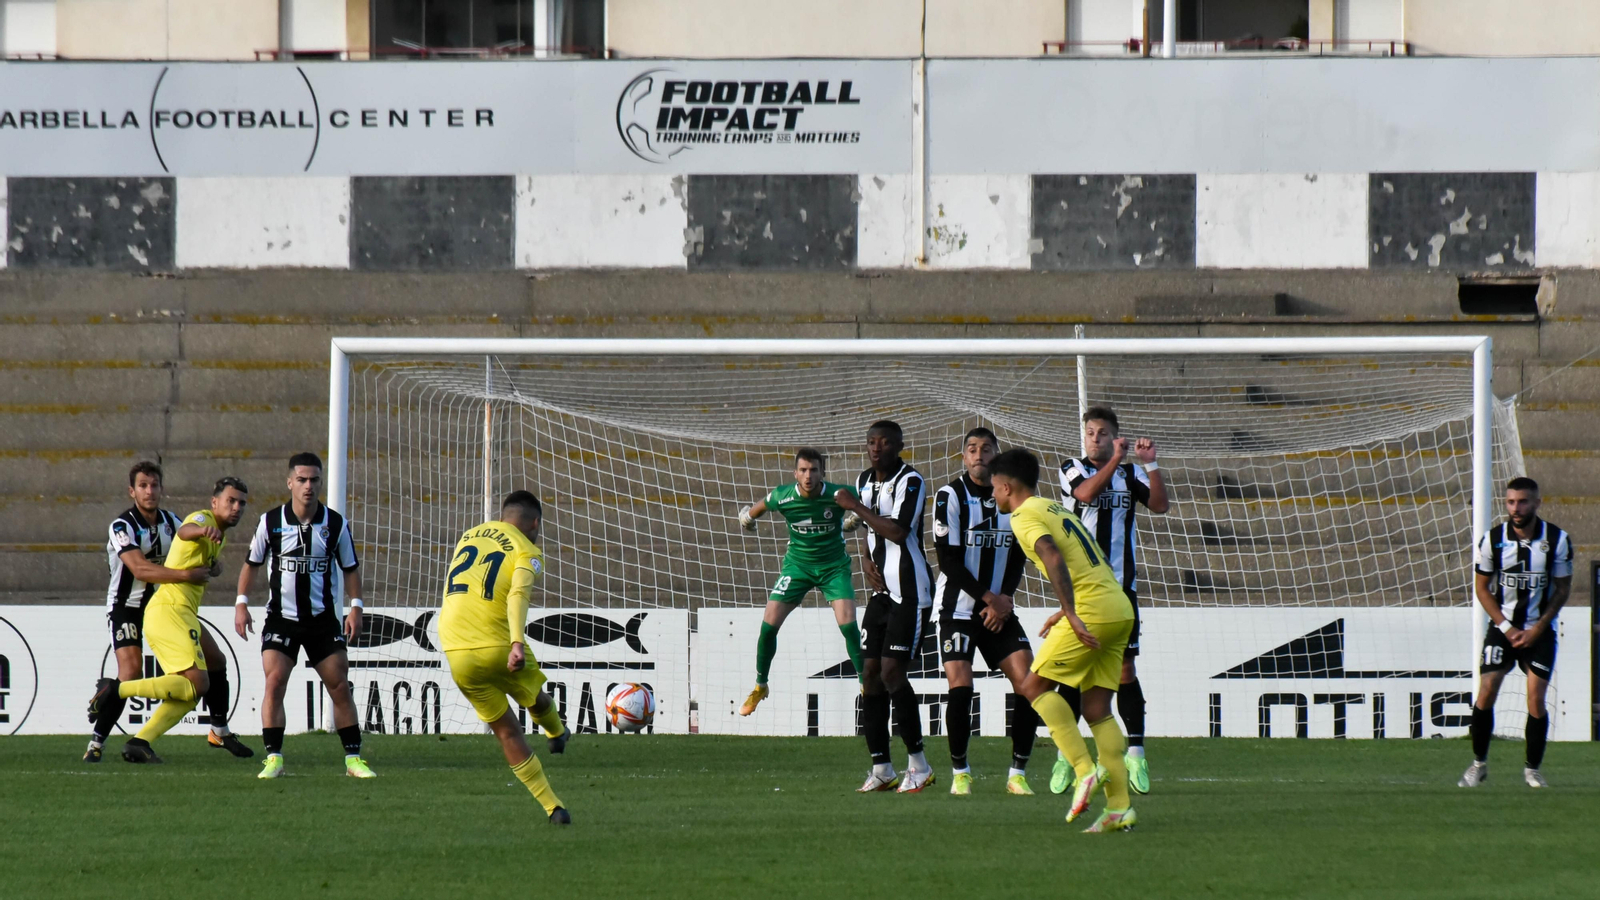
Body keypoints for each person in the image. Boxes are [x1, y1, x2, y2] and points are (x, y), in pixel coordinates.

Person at [990, 448, 1137, 833]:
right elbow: (1091, 557)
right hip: (1117, 607)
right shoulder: (1055, 507)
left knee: (1032, 685)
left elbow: (1052, 554)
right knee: (1097, 707)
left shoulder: (1023, 516)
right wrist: (1067, 607)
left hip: (1090, 611)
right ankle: (1119, 808)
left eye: (994, 490)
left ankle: (1084, 770)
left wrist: (1071, 611)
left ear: (1006, 487)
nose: (993, 497)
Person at [86, 461, 254, 762]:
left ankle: (218, 730)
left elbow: (192, 541)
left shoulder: (170, 521)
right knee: (133, 671)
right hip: (131, 606)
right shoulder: (123, 525)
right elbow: (141, 567)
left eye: (154, 485)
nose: (150, 491)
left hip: (167, 603)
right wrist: (187, 572)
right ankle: (97, 740)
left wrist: (214, 565)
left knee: (213, 663)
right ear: (132, 491)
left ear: (162, 488)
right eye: (143, 485)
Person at [236, 452, 373, 779]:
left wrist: (356, 607)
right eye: (302, 480)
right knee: (275, 681)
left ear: (320, 483)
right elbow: (252, 564)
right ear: (290, 483)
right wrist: (241, 602)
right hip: (282, 618)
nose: (308, 486)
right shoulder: (271, 522)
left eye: (314, 480)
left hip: (323, 618)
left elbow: (350, 568)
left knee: (339, 684)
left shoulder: (335, 524)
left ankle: (353, 759)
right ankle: (274, 758)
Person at [440, 491, 572, 824]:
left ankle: (553, 807)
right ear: (535, 523)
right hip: (497, 640)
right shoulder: (528, 550)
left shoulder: (469, 535)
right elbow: (518, 595)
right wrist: (515, 641)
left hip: (455, 647)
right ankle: (556, 733)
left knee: (507, 732)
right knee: (532, 694)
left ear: (503, 516)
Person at [1054, 406, 1167, 795]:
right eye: (1090, 432)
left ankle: (1135, 754)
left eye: (1103, 433)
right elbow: (1084, 494)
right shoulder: (1071, 468)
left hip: (1121, 590)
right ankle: (1066, 757)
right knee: (1073, 670)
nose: (1095, 439)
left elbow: (1159, 506)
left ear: (1114, 434)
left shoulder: (1130, 473)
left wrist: (1150, 465)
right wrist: (1118, 456)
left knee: (1124, 672)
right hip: (1082, 590)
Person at [932, 428, 1037, 796]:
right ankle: (960, 772)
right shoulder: (950, 496)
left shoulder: (1011, 497)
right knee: (961, 687)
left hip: (1000, 609)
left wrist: (1004, 599)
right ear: (964, 458)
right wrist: (989, 599)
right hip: (958, 609)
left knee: (1029, 684)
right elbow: (948, 560)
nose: (979, 455)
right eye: (972, 449)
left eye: (986, 449)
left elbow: (1019, 552)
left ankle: (1017, 773)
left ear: (996, 456)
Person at [834, 420, 935, 793]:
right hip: (881, 594)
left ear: (899, 446)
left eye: (886, 443)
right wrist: (864, 560)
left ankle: (919, 765)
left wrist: (854, 505)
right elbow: (869, 533)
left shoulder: (912, 481)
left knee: (893, 673)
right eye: (872, 442)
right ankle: (882, 767)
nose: (877, 449)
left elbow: (897, 531)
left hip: (911, 592)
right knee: (871, 676)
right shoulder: (864, 479)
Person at [1459, 477, 1572, 789]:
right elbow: (1482, 588)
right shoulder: (1493, 540)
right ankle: (1478, 764)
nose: (1516, 508)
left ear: (1536, 503)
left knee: (1536, 699)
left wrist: (1538, 627)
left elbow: (1563, 589)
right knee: (1487, 691)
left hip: (1539, 631)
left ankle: (1532, 770)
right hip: (1502, 629)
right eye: (1511, 502)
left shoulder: (1557, 540)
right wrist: (1506, 627)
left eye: (1522, 502)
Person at [736, 447, 864, 716]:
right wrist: (746, 519)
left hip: (833, 567)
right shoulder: (783, 496)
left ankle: (866, 684)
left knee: (849, 625)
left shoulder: (838, 493)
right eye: (803, 470)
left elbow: (864, 505)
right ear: (795, 473)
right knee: (769, 625)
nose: (808, 476)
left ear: (823, 473)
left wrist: (854, 518)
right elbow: (754, 511)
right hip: (797, 567)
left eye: (814, 470)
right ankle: (760, 685)